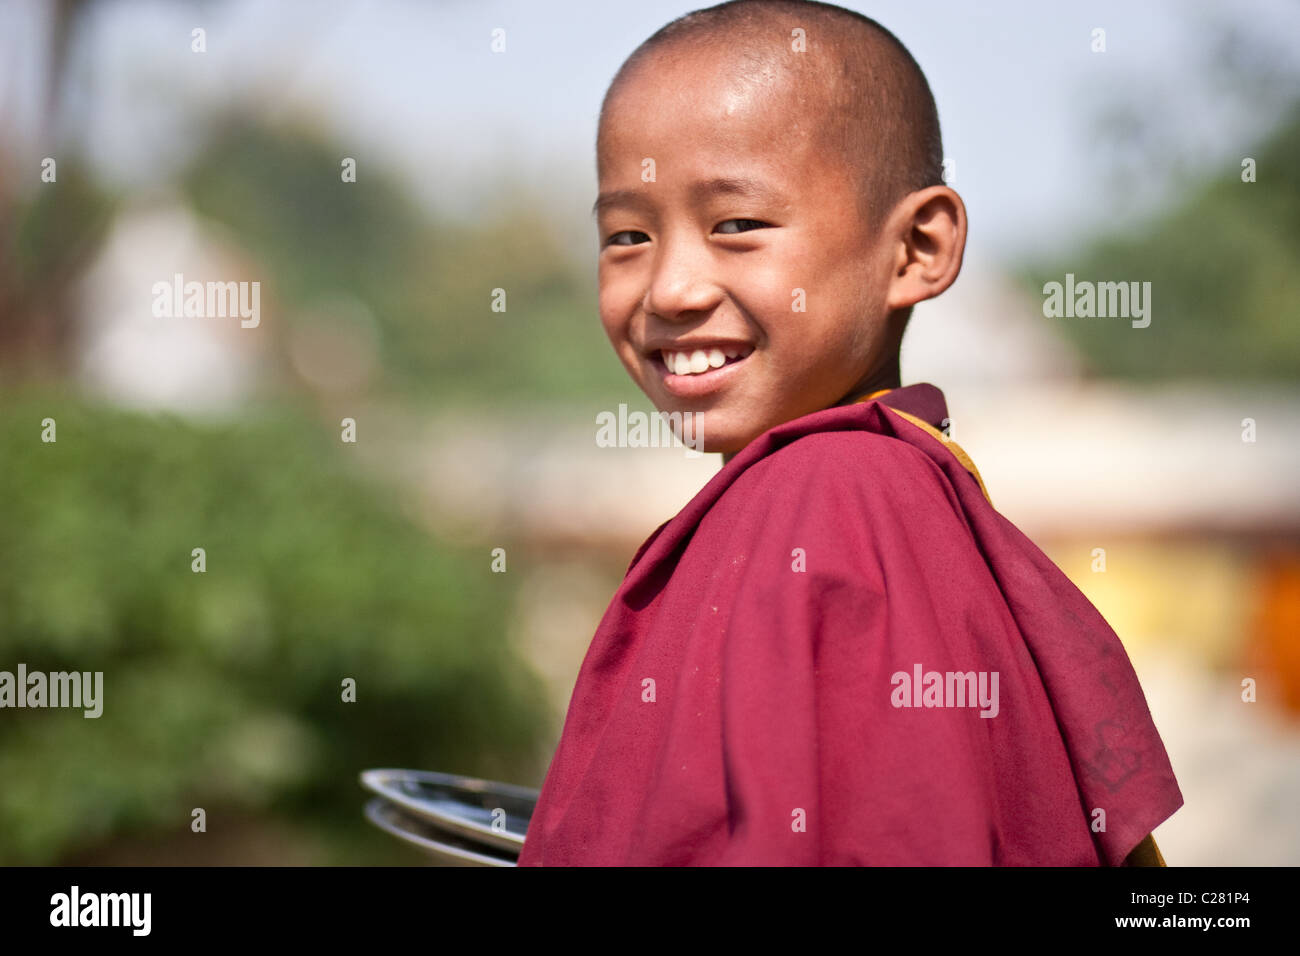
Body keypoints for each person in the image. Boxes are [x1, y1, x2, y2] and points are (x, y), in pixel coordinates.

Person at [517, 0, 1182, 866]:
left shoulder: (833, 494)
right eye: (628, 236)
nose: (671, 288)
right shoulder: (862, 487)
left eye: (737, 226)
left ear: (915, 248)